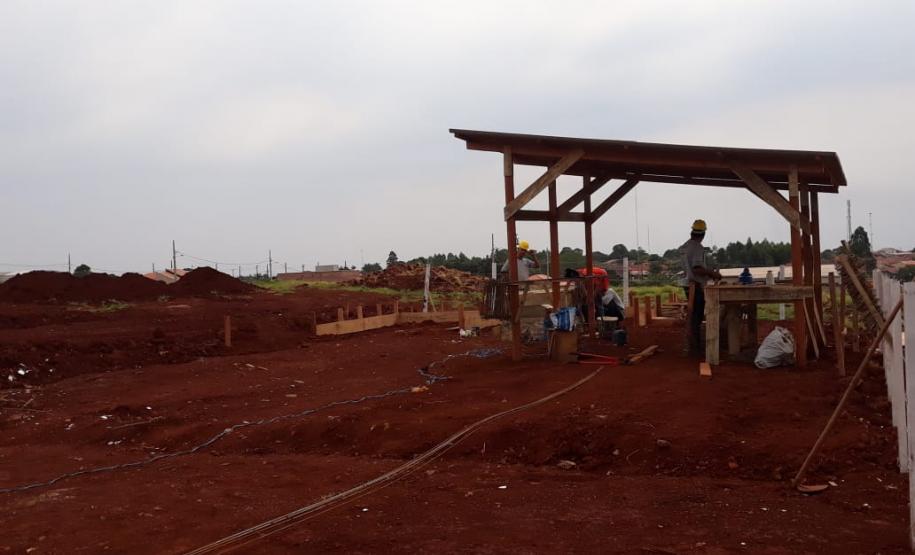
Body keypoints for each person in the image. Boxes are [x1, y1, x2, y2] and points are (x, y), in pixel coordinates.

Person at [680, 219, 722, 354]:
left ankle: (693, 345)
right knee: (696, 317)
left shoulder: (686, 246)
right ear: (703, 234)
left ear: (692, 232)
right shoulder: (697, 247)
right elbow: (697, 269)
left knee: (693, 316)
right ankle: (695, 347)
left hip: (688, 285)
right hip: (696, 286)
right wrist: (712, 273)